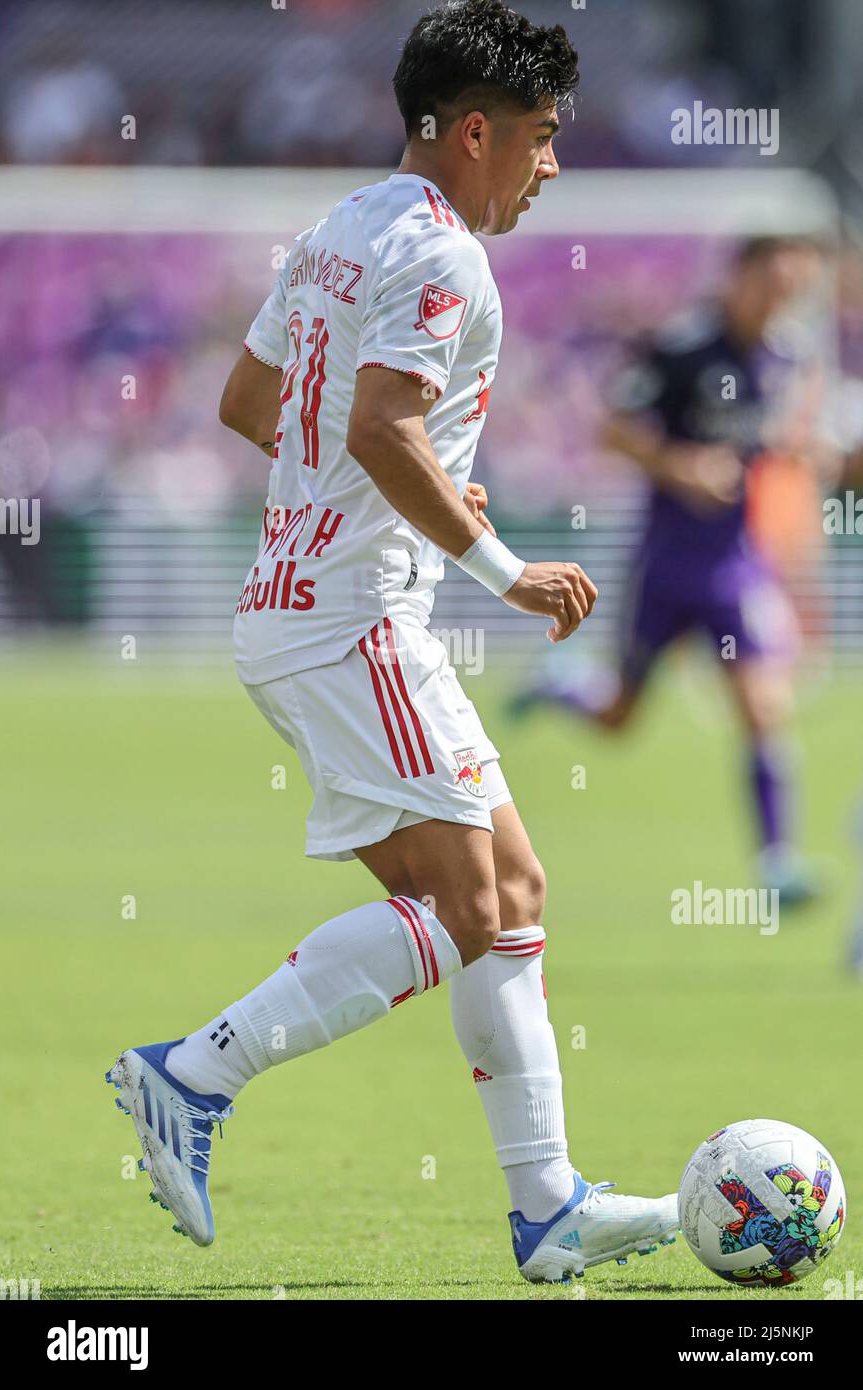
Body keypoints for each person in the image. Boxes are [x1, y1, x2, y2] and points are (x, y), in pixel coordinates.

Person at [106, 0, 677, 1284]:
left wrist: (389, 483)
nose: (547, 165)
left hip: (306, 612)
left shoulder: (336, 231)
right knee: (458, 907)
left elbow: (252, 403)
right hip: (356, 623)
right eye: (535, 137)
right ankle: (192, 1074)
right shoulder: (443, 255)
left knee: (510, 897)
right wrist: (505, 568)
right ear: (473, 131)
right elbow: (375, 426)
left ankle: (548, 1209)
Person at [517, 237, 829, 904]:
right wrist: (680, 467)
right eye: (774, 283)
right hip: (664, 565)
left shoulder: (783, 357)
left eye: (794, 288)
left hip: (733, 565)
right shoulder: (683, 347)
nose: (783, 300)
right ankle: (563, 683)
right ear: (741, 276)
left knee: (764, 706)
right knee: (617, 719)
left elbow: (774, 438)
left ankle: (778, 861)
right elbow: (614, 428)